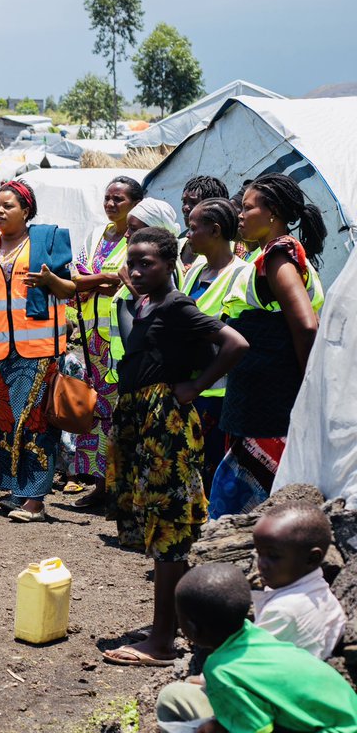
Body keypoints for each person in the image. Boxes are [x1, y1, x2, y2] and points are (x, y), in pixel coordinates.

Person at [102, 227, 248, 667]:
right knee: (158, 523)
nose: (137, 270)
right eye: (132, 262)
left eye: (147, 262)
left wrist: (195, 387)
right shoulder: (146, 302)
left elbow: (234, 344)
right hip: (142, 420)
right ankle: (178, 628)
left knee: (170, 529)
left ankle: (162, 643)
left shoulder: (178, 305)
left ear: (171, 264)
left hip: (166, 423)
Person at [211, 175, 327, 517]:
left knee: (255, 500)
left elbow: (306, 325)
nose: (240, 215)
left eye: (248, 208)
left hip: (268, 401)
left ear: (272, 212)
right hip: (259, 398)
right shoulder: (270, 256)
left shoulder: (279, 255)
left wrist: (309, 387)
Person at [0, 180, 74, 521]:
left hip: (39, 349)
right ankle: (15, 490)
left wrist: (49, 282)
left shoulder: (46, 241)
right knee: (5, 423)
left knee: (36, 423)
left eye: (7, 206)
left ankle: (36, 500)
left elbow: (68, 289)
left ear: (26, 211)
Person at [156, 563, 357, 731]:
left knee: (174, 701)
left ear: (192, 627)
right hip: (342, 716)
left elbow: (259, 730)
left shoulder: (222, 672)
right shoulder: (258, 635)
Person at [63, 176, 142, 508]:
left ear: (136, 203)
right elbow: (76, 277)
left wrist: (93, 281)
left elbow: (123, 281)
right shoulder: (97, 234)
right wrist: (101, 280)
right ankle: (99, 486)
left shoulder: (139, 238)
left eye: (118, 200)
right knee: (95, 412)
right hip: (93, 337)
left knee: (120, 413)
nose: (111, 204)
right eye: (107, 198)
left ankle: (121, 490)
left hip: (122, 337)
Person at [178, 200, 247, 492]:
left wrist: (198, 385)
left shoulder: (241, 275)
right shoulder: (196, 270)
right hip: (187, 386)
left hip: (216, 393)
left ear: (215, 230)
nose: (188, 234)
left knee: (209, 469)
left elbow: (236, 339)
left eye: (193, 228)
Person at [252, 502, 347, 659]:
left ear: (312, 559)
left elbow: (246, 666)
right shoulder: (317, 591)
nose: (261, 564)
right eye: (259, 553)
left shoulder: (284, 612)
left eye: (273, 556)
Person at [176, 175, 230, 270]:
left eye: (193, 203)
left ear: (214, 207)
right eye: (184, 202)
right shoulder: (176, 246)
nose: (185, 208)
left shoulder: (231, 252)